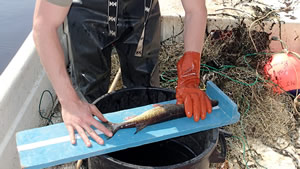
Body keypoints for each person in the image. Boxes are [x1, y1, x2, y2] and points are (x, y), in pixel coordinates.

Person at [33, 0, 212, 147]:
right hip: (87, 14)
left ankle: (144, 149)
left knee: (146, 93)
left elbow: (195, 10)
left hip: (142, 10)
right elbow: (44, 26)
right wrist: (69, 101)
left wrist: (190, 75)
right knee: (90, 97)